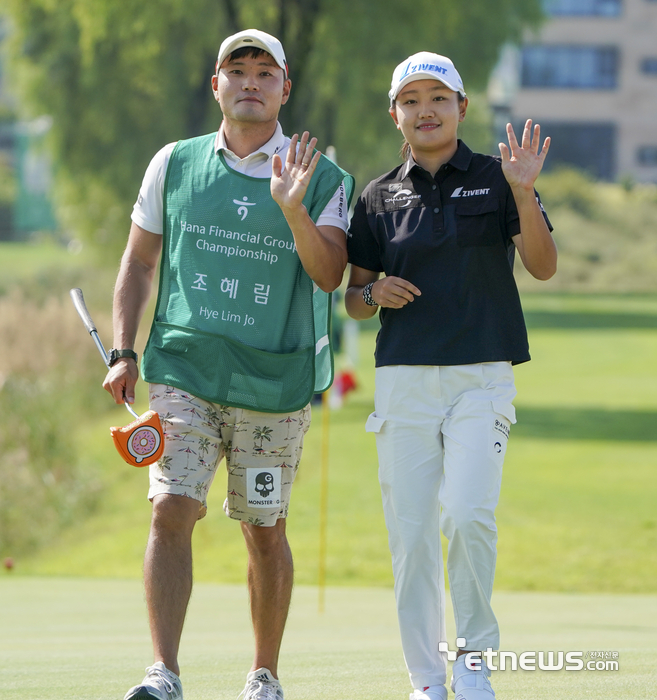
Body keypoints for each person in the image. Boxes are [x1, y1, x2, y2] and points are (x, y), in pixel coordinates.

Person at [103, 28, 354, 700]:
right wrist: (124, 349)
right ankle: (164, 674)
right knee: (170, 509)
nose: (249, 82)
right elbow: (139, 260)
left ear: (284, 88)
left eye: (263, 72)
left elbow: (329, 275)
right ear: (215, 85)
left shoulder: (324, 177)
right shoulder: (174, 163)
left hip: (274, 386)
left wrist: (292, 208)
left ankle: (263, 675)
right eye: (235, 70)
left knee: (263, 530)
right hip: (184, 370)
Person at [344, 52, 556, 700]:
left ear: (462, 108)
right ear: (394, 115)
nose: (425, 109)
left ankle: (472, 665)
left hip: (479, 379)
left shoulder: (499, 179)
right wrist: (375, 290)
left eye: (438, 96)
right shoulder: (377, 196)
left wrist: (523, 191)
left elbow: (543, 266)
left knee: (465, 515)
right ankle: (426, 681)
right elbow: (352, 297)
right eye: (411, 100)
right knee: (410, 538)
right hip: (402, 382)